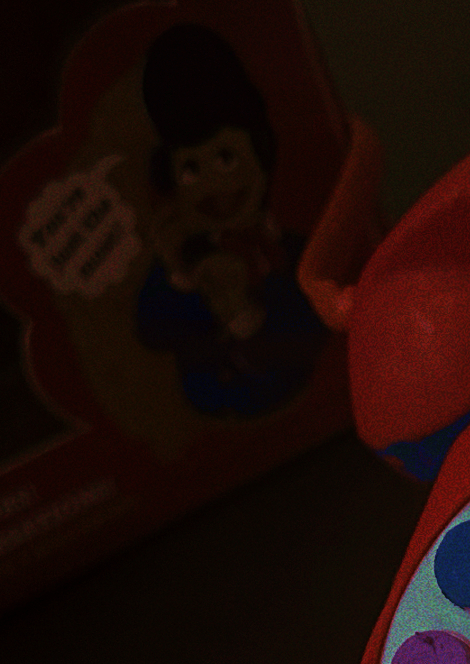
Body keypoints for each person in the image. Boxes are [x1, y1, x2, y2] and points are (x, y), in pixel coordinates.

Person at [134, 23, 327, 418]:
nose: (214, 186)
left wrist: (242, 310)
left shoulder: (290, 255)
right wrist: (180, 276)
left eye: (226, 158)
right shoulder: (179, 271)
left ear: (260, 156)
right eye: (191, 169)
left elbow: (308, 343)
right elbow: (153, 332)